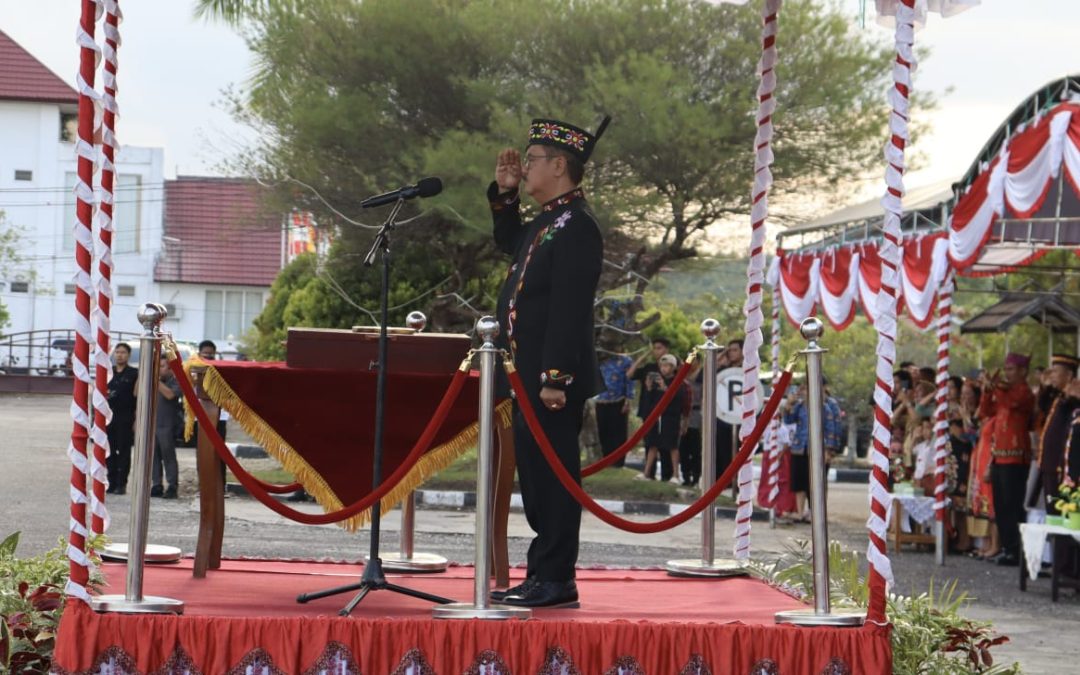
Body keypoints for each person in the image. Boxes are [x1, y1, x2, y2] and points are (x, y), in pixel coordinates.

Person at [488, 115, 608, 608]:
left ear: (560, 166)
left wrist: (555, 376)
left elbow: (569, 307)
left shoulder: (577, 226)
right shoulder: (548, 221)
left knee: (554, 480)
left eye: (533, 160)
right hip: (527, 377)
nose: (525, 164)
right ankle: (542, 574)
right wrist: (506, 195)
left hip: (549, 381)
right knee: (535, 479)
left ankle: (556, 578)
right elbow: (507, 243)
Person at [977, 352, 1035, 566]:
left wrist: (996, 387)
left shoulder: (1024, 393)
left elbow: (1011, 403)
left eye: (1011, 370)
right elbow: (985, 411)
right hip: (999, 458)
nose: (1008, 373)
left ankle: (1016, 550)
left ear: (1023, 371)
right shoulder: (1006, 392)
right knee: (1001, 506)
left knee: (1013, 505)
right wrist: (986, 390)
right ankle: (1007, 548)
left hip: (1016, 458)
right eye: (1007, 369)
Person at [1036, 354, 1079, 515]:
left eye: (1055, 372)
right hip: (1049, 464)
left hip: (1062, 466)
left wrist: (1070, 395)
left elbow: (1071, 406)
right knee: (1051, 511)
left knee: (1062, 510)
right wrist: (1046, 387)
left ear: (1068, 375)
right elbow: (1042, 406)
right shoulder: (1058, 396)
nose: (1051, 375)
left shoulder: (1074, 396)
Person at [628, 337, 674, 479]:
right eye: (654, 348)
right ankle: (649, 473)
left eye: (659, 348)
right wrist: (642, 357)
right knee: (650, 442)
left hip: (667, 411)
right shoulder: (649, 368)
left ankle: (668, 475)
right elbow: (630, 375)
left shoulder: (672, 368)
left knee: (667, 443)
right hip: (648, 408)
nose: (656, 351)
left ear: (666, 349)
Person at [636, 354, 686, 483]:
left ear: (673, 367)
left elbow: (679, 400)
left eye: (667, 365)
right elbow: (649, 401)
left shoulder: (678, 382)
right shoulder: (655, 381)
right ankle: (646, 473)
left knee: (672, 446)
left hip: (670, 418)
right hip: (655, 418)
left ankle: (675, 475)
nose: (664, 369)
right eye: (662, 366)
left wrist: (665, 388)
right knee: (652, 445)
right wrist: (648, 387)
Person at [594, 344, 635, 468]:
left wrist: (628, 399)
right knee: (603, 431)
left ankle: (618, 462)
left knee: (618, 432)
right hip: (601, 400)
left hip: (619, 401)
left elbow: (630, 381)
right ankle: (606, 460)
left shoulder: (626, 361)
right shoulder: (600, 359)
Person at [105, 342, 138, 495]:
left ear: (128, 355)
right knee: (109, 451)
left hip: (125, 418)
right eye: (117, 352)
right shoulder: (108, 372)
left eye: (123, 352)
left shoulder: (134, 373)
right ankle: (111, 481)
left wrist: (136, 419)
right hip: (108, 417)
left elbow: (138, 398)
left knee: (124, 451)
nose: (120, 355)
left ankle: (121, 483)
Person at [151, 354, 182, 499]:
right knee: (153, 456)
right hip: (153, 424)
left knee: (168, 455)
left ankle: (172, 485)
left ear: (170, 369)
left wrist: (156, 380)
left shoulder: (175, 382)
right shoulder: (151, 382)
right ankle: (156, 484)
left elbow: (170, 395)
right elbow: (136, 393)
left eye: (161, 367)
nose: (159, 370)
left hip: (167, 425)